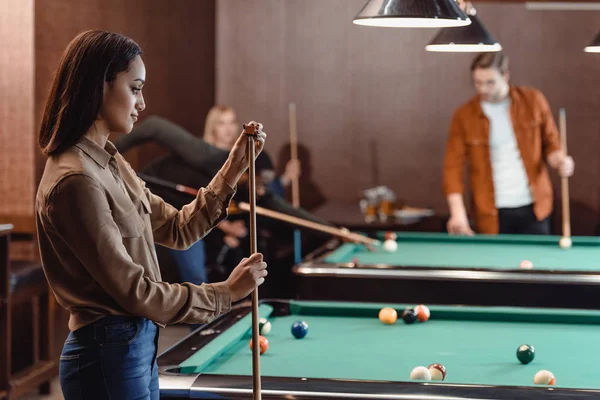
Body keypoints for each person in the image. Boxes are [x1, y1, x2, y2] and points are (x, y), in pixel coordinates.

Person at [35, 30, 267, 399]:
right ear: (99, 86)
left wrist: (235, 166)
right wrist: (226, 293)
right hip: (106, 353)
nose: (142, 103)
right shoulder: (76, 180)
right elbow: (136, 292)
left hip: (133, 347)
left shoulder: (110, 161)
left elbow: (179, 228)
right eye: (136, 87)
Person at [443, 52, 574, 236]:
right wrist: (458, 214)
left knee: (535, 264)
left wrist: (561, 162)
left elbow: (552, 147)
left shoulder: (533, 101)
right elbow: (452, 169)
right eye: (477, 83)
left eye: (490, 82)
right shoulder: (464, 116)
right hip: (490, 212)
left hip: (535, 208)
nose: (483, 89)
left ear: (505, 76)